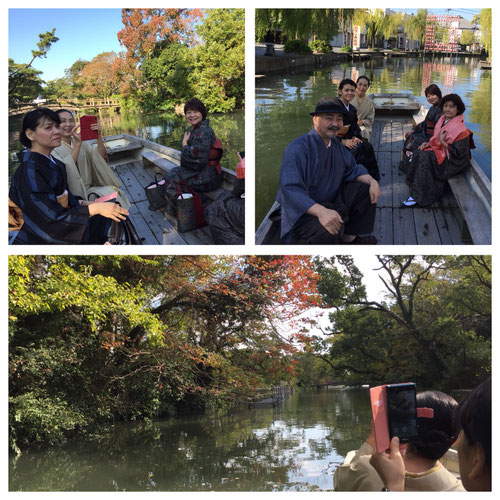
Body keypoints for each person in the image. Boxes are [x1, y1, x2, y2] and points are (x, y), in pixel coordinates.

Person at [9, 108, 129, 245]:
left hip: (61, 220)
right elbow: (49, 219)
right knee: (104, 219)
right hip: (37, 235)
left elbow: (68, 199)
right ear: (30, 134)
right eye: (48, 127)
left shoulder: (52, 163)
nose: (56, 131)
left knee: (112, 212)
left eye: (56, 126)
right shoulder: (29, 172)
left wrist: (89, 204)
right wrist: (96, 208)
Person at [276, 97, 380, 244]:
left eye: (339, 119)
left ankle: (349, 239)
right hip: (304, 212)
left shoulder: (336, 145)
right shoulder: (297, 148)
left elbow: (353, 169)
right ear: (315, 120)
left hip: (330, 201)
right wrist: (321, 212)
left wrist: (372, 180)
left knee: (365, 188)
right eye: (329, 118)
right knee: (326, 228)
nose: (335, 124)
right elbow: (291, 190)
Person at [370, 378, 491, 492]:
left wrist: (393, 487)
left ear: (478, 459)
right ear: (452, 442)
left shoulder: (366, 469)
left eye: (463, 430)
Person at [334, 390, 464, 491]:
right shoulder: (460, 490)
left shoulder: (365, 468)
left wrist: (372, 439)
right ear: (454, 441)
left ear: (406, 429)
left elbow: (340, 485)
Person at [400, 94, 473, 207]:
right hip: (442, 151)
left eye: (451, 106)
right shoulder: (443, 119)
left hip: (453, 161)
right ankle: (416, 184)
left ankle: (421, 196)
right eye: (445, 106)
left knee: (425, 157)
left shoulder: (460, 129)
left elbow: (459, 155)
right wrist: (428, 143)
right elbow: (435, 139)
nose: (447, 109)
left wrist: (443, 143)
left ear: (458, 109)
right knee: (419, 152)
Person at [52, 109, 130, 209]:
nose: (68, 124)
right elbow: (64, 168)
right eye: (63, 121)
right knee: (111, 198)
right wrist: (77, 145)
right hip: (73, 196)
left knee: (115, 194)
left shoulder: (81, 142)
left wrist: (98, 136)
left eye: (71, 121)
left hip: (89, 188)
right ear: (55, 125)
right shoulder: (53, 148)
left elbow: (100, 157)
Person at [167, 98, 222, 193]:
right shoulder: (198, 129)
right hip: (207, 174)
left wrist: (184, 146)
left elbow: (198, 162)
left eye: (196, 112)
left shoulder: (203, 132)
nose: (192, 115)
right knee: (173, 172)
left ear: (202, 113)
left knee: (171, 180)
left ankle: (180, 206)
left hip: (207, 180)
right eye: (189, 112)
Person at [335, 78, 380, 180]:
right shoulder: (334, 107)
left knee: (367, 146)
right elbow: (326, 131)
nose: (350, 93)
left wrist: (355, 137)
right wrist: (343, 141)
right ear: (339, 91)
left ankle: (371, 177)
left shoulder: (352, 109)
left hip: (349, 138)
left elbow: (355, 127)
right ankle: (352, 177)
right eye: (346, 90)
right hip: (336, 141)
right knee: (357, 149)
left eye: (352, 90)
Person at [402, 84, 443, 154]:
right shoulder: (433, 108)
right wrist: (414, 130)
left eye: (433, 95)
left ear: (438, 94)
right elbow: (425, 123)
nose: (431, 98)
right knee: (411, 136)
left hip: (433, 138)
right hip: (427, 134)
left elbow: (440, 129)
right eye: (428, 96)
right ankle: (409, 157)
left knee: (413, 140)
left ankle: (411, 158)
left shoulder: (442, 109)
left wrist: (430, 143)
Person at [351, 75, 375, 141]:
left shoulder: (369, 102)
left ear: (367, 87)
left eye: (365, 85)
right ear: (356, 85)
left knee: (363, 131)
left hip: (362, 125)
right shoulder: (349, 96)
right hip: (348, 124)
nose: (362, 87)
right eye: (360, 84)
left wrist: (361, 122)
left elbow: (370, 120)